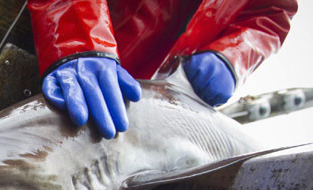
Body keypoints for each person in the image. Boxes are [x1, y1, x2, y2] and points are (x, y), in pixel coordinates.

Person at [27, 0, 298, 139]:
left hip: (152, 98)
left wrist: (234, 55)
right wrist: (77, 37)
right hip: (45, 41)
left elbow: (272, 13)